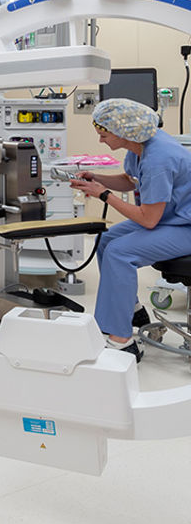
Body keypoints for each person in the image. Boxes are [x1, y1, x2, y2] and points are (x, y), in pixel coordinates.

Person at [70, 98, 191, 360]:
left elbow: (148, 220)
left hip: (185, 227)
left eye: (103, 134)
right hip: (170, 219)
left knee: (119, 252)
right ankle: (132, 310)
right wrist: (97, 178)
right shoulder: (141, 145)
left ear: (122, 131)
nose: (101, 140)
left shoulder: (159, 158)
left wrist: (104, 196)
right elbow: (130, 180)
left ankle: (121, 340)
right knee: (105, 241)